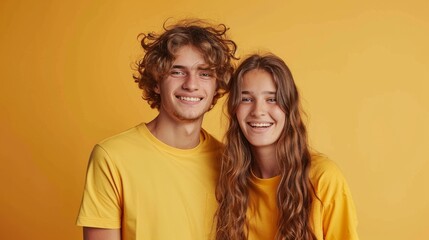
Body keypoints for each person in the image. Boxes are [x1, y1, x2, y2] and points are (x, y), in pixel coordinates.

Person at [76, 19, 237, 240]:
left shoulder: (230, 162)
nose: (191, 84)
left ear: (217, 85)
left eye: (205, 73)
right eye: (177, 72)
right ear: (156, 82)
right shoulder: (112, 157)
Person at [215, 53, 359, 240]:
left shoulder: (323, 178)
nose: (258, 111)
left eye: (272, 99)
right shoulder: (229, 177)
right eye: (246, 99)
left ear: (289, 108)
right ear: (234, 109)